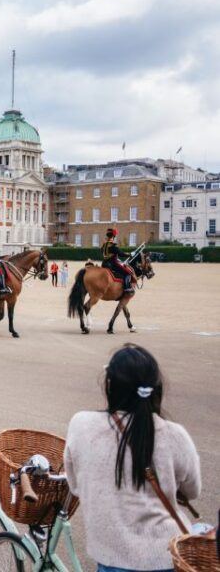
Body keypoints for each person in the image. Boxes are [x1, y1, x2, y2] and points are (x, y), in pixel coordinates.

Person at [64, 344, 201, 572]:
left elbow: (75, 485)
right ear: (156, 388)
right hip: (168, 557)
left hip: (112, 559)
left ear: (109, 386)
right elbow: (193, 491)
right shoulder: (175, 435)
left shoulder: (82, 425)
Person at [101, 228, 135, 294]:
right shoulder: (113, 246)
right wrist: (130, 254)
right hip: (113, 264)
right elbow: (121, 254)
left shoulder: (103, 246)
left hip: (104, 264)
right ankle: (127, 288)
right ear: (113, 236)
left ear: (107, 236)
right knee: (128, 272)